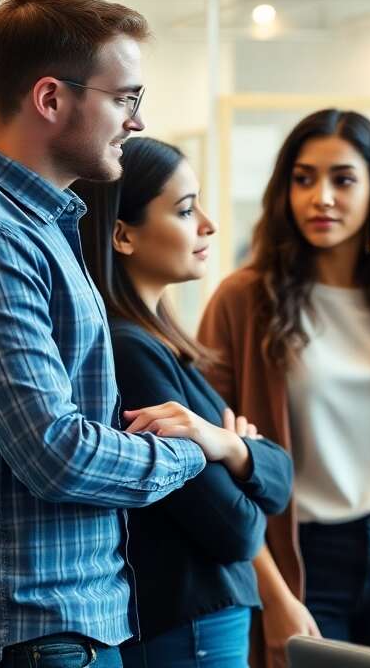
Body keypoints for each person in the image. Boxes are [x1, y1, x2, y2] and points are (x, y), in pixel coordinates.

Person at [0, 0, 249, 668]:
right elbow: (56, 452)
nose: (137, 121)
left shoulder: (42, 224)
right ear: (51, 99)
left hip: (66, 625)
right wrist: (199, 449)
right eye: (125, 98)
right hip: (31, 630)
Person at [197, 109, 370, 667]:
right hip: (304, 557)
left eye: (343, 179)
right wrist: (275, 594)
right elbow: (212, 466)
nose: (322, 198)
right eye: (304, 178)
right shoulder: (242, 301)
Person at [73, 137, 294, 667]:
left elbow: (282, 478)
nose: (209, 226)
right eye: (186, 209)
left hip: (202, 621)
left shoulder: (161, 345)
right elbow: (237, 530)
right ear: (122, 235)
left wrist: (227, 445)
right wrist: (242, 450)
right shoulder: (130, 351)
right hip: (187, 626)